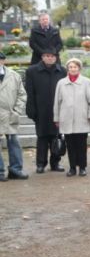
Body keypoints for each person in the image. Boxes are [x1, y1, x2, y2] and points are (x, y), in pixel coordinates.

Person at [53, 58, 90, 177]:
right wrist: (56, 118)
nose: (73, 69)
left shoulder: (87, 82)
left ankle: (82, 167)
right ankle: (72, 167)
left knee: (81, 145)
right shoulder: (61, 83)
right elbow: (57, 102)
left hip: (82, 118)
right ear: (67, 69)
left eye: (75, 67)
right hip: (66, 119)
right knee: (70, 145)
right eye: (70, 67)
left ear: (79, 68)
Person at [25, 48, 67, 174]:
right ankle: (41, 164)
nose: (50, 58)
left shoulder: (62, 71)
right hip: (41, 109)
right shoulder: (32, 71)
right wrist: (31, 109)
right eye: (47, 56)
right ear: (42, 57)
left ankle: (55, 163)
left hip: (57, 110)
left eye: (53, 56)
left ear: (56, 58)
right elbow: (29, 92)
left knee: (56, 136)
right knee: (42, 137)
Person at [0, 52, 28, 181]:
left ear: (3, 61)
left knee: (14, 142)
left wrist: (17, 110)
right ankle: (0, 172)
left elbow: (22, 94)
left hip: (11, 115)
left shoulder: (14, 75)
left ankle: (15, 170)